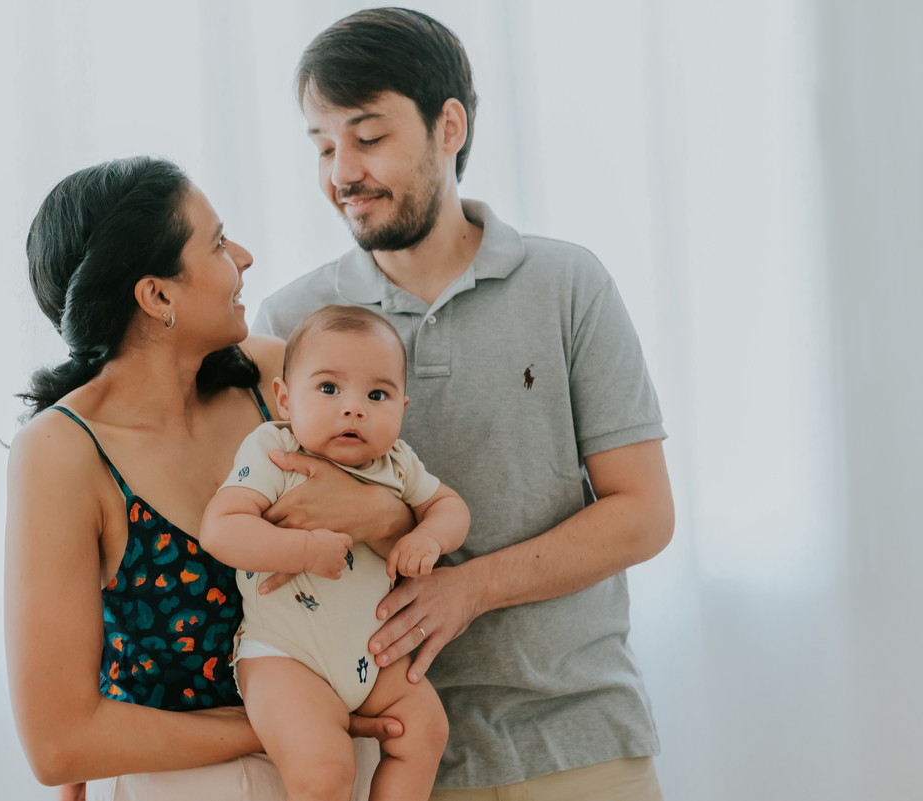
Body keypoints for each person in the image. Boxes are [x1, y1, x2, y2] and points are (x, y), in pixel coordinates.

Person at [251, 9, 675, 800]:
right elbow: (268, 520)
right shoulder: (289, 323)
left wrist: (469, 587)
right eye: (323, 146)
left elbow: (644, 513)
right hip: (393, 762)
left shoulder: (568, 285)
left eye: (367, 137)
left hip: (580, 742)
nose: (342, 172)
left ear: (449, 126)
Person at [4, 156, 410, 801]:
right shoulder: (61, 452)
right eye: (218, 243)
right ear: (157, 296)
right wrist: (287, 724)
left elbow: (404, 512)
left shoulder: (274, 382)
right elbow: (59, 744)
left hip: (341, 771)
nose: (243, 257)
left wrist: (380, 515)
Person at [200, 305, 469, 800]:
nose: (354, 408)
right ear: (285, 399)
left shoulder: (398, 463)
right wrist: (303, 549)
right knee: (325, 770)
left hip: (370, 657)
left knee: (425, 730)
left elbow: (451, 507)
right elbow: (220, 530)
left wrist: (429, 536)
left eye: (377, 395)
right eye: (329, 388)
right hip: (284, 655)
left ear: (402, 407)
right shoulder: (275, 451)